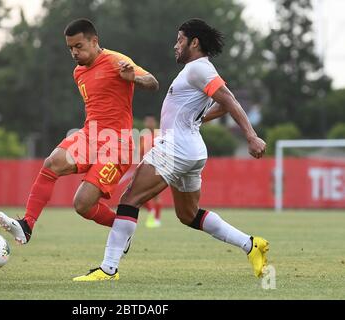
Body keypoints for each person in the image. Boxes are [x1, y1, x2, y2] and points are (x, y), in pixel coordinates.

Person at [73, 18, 268, 281]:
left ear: (194, 42)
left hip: (174, 148)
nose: (175, 46)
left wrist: (251, 136)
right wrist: (197, 119)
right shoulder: (198, 70)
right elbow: (222, 104)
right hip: (192, 150)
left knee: (129, 201)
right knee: (188, 215)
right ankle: (251, 244)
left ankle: (108, 269)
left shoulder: (198, 69)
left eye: (179, 40)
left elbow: (228, 99)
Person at [0, 18, 159, 245]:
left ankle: (121, 230)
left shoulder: (116, 60)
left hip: (117, 144)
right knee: (51, 163)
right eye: (70, 48)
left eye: (78, 46)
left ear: (94, 41)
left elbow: (153, 83)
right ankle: (27, 225)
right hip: (90, 136)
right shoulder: (78, 73)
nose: (74, 52)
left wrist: (134, 78)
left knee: (82, 204)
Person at [139, 115, 163, 228]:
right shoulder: (144, 136)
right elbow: (140, 153)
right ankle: (152, 210)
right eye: (147, 122)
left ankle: (157, 218)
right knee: (139, 193)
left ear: (155, 123)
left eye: (151, 122)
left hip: (158, 166)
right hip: (146, 167)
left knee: (156, 194)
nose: (149, 124)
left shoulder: (160, 135)